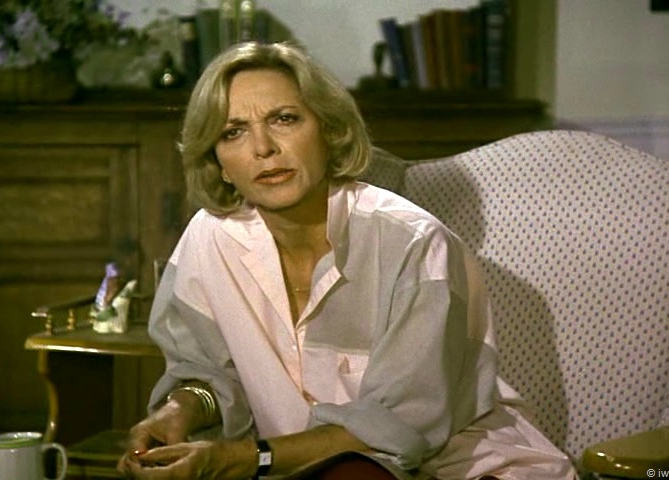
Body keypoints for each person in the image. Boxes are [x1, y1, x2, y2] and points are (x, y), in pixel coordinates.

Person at [118, 41, 578, 480]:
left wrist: (244, 459)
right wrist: (180, 409)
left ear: (328, 130)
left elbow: (400, 425)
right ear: (219, 161)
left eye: (284, 119)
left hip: (467, 468)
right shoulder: (209, 239)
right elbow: (206, 374)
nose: (263, 148)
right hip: (301, 469)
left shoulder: (415, 244)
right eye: (233, 131)